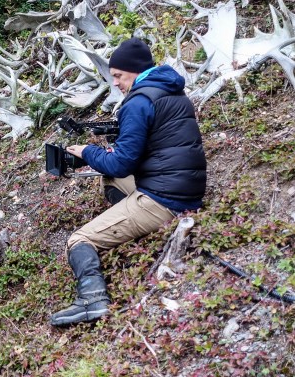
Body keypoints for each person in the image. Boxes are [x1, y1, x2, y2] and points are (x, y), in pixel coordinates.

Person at [50, 37, 207, 327]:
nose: (117, 84)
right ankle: (128, 219)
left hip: (165, 199)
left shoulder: (138, 102)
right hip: (186, 189)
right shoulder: (172, 92)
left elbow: (123, 162)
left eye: (119, 76)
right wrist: (104, 156)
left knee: (79, 239)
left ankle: (92, 302)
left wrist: (88, 151)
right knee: (111, 177)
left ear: (134, 72)